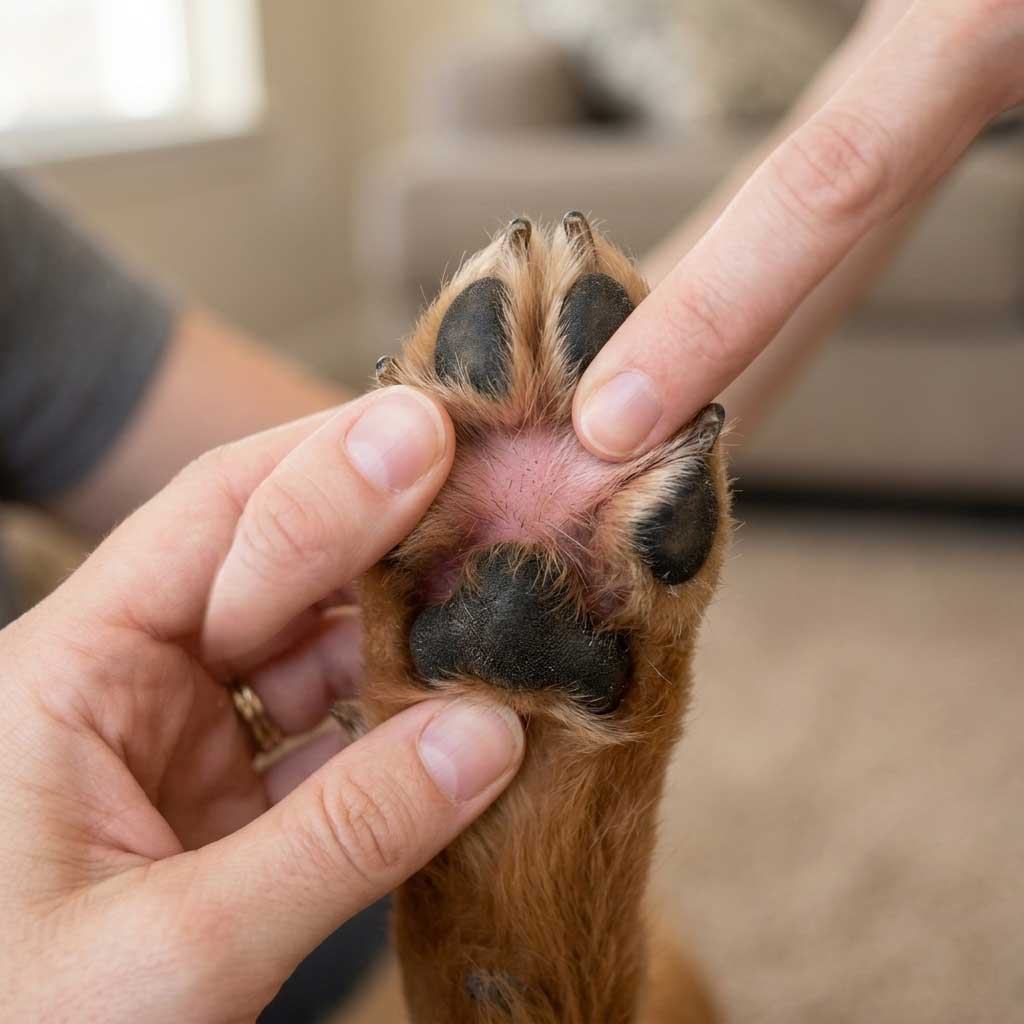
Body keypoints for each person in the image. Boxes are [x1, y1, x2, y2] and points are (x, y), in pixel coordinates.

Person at [1, 0, 1021, 1020]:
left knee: (672, 990)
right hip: (205, 910)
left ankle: (513, 887)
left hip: (241, 837)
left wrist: (900, 64)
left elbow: (507, 475)